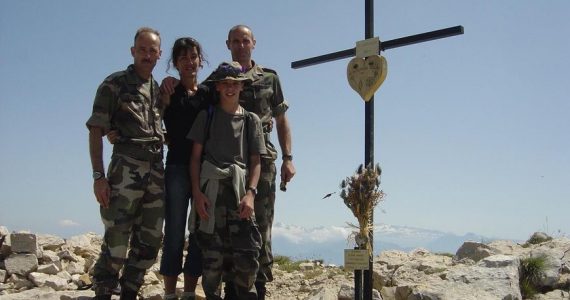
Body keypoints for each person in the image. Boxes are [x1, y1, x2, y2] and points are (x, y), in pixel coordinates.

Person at [86, 27, 164, 300]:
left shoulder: (159, 89)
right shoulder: (115, 84)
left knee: (151, 240)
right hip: (125, 169)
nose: (147, 55)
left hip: (155, 171)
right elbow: (96, 129)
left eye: (152, 50)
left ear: (159, 54)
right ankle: (105, 288)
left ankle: (130, 290)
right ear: (133, 52)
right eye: (142, 49)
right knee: (117, 238)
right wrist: (98, 176)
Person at [225, 24, 296, 300]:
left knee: (262, 227)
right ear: (228, 44)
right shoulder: (221, 78)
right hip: (229, 161)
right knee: (230, 226)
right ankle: (232, 288)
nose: (241, 46)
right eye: (235, 41)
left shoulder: (270, 78)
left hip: (263, 161)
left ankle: (258, 288)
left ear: (254, 43)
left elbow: (281, 120)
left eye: (245, 41)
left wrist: (288, 158)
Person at [187, 61, 265, 300]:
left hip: (239, 192)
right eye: (225, 84)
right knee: (212, 261)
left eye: (235, 84)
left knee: (246, 258)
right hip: (211, 193)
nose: (230, 88)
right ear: (218, 87)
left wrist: (250, 194)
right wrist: (197, 195)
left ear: (242, 87)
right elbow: (195, 159)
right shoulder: (206, 116)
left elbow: (256, 161)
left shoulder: (251, 120)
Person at [159, 37, 210, 300]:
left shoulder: (208, 94)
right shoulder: (169, 91)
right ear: (175, 63)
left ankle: (189, 292)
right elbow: (154, 119)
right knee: (175, 231)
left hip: (204, 170)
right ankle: (169, 294)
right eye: (183, 58)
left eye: (193, 57)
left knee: (199, 232)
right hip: (178, 167)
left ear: (200, 60)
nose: (189, 62)